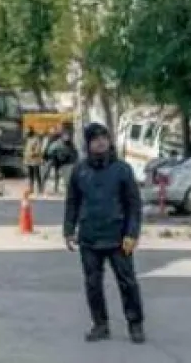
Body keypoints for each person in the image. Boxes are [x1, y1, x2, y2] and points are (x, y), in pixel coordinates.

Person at [63, 123, 146, 344]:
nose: (100, 142)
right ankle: (100, 325)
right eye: (95, 139)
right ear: (88, 144)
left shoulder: (122, 170)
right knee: (92, 283)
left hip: (119, 238)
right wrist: (69, 230)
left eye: (104, 138)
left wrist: (132, 234)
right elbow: (72, 202)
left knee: (127, 282)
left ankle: (135, 324)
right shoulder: (79, 171)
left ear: (109, 142)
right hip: (89, 237)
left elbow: (133, 205)